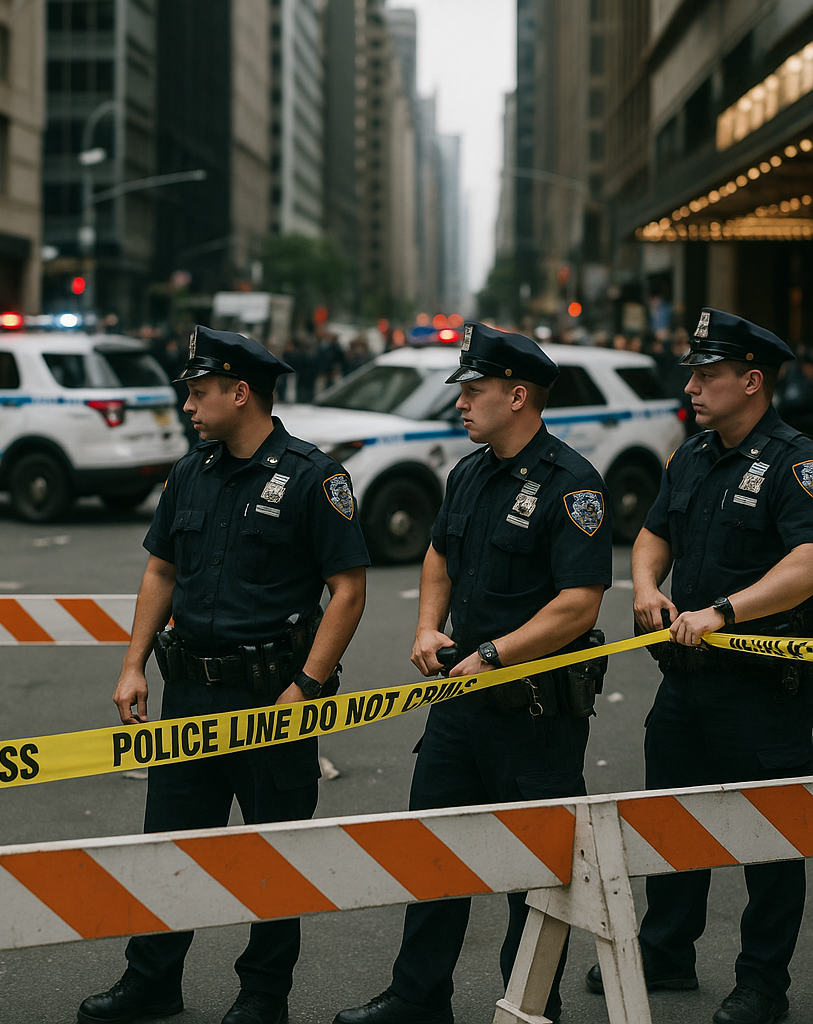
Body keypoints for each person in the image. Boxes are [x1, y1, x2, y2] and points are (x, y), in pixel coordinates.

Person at [78, 326, 369, 1024]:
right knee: (171, 844)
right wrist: (132, 664)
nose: (188, 406)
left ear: (241, 393)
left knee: (274, 855)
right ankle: (152, 980)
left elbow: (349, 589)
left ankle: (264, 995)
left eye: (199, 392)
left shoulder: (312, 477)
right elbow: (161, 570)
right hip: (189, 692)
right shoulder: (191, 472)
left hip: (272, 698)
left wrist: (306, 687)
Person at [335, 323, 612, 1024]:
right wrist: (428, 626)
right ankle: (417, 997)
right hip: (459, 708)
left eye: (474, 390)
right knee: (433, 853)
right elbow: (439, 555)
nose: (459, 402)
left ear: (517, 397)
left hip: (533, 716)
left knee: (534, 878)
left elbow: (579, 604)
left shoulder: (572, 483)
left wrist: (494, 653)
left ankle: (531, 1005)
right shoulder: (468, 472)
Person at [585, 308, 813, 1024]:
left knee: (771, 841)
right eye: (692, 374)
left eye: (707, 375)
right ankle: (666, 951)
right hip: (687, 681)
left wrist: (723, 612)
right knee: (671, 821)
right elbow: (653, 532)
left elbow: (808, 561)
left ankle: (762, 983)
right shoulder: (691, 455)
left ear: (752, 381)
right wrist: (646, 587)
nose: (691, 386)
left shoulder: (794, 463)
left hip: (764, 691)